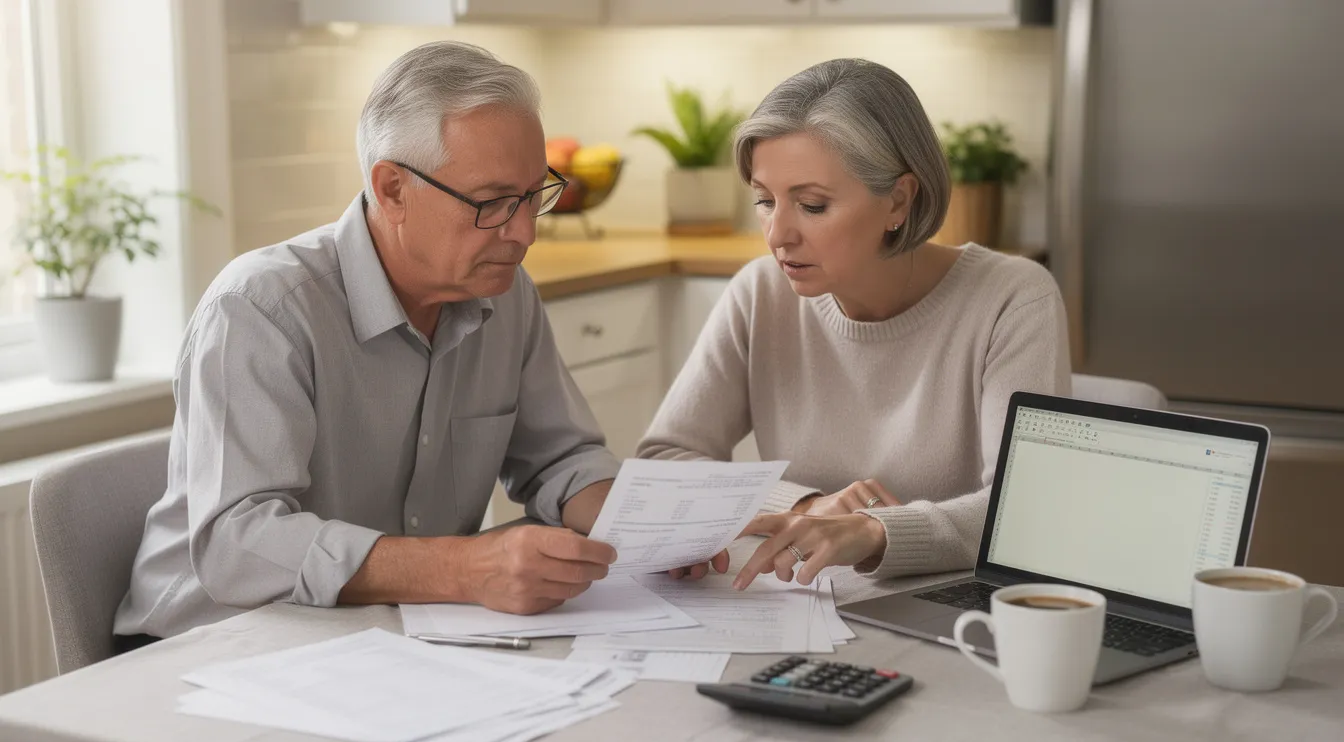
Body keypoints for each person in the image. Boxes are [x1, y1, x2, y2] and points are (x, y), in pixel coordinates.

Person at [113, 42, 621, 645]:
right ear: (393, 189)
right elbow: (237, 544)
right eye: (492, 204)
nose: (525, 231)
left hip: (382, 636)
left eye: (536, 195)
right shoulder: (260, 309)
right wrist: (463, 569)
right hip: (211, 647)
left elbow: (562, 461)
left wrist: (654, 529)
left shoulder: (507, 296)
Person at [637, 58, 1070, 590]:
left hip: (954, 604)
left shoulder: (1013, 299)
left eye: (812, 205)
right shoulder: (760, 292)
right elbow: (664, 459)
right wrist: (806, 504)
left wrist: (875, 532)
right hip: (803, 594)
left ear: (899, 200)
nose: (777, 235)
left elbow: (1027, 508)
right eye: (764, 201)